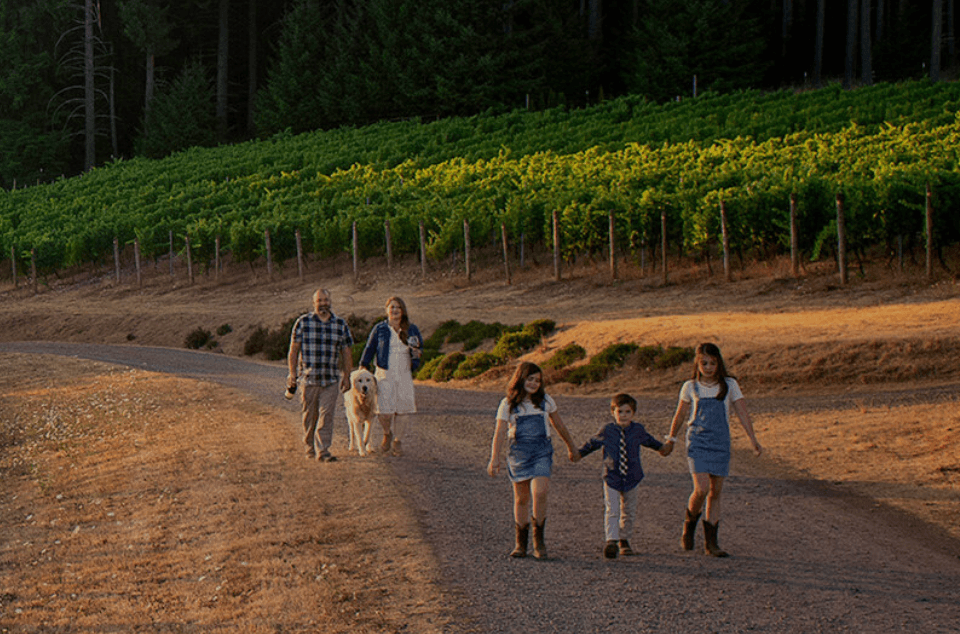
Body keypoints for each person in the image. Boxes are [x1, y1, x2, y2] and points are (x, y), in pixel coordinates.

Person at [662, 342, 762, 557]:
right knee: (702, 488)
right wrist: (671, 439)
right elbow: (680, 415)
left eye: (712, 363)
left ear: (719, 364)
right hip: (697, 442)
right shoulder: (690, 386)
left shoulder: (730, 385)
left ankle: (711, 543)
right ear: (697, 364)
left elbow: (742, 412)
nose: (708, 367)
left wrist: (752, 439)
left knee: (716, 492)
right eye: (704, 363)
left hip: (721, 442)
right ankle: (689, 524)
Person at [487, 362, 579, 560]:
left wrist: (571, 447)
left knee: (540, 492)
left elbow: (559, 425)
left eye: (538, 380)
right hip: (518, 454)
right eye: (530, 379)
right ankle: (521, 543)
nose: (534, 383)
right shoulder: (508, 404)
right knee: (521, 499)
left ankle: (539, 541)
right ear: (520, 379)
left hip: (541, 452)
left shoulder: (545, 401)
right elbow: (500, 432)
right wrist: (494, 458)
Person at [576, 393, 670, 559]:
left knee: (628, 510)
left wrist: (662, 448)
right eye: (619, 411)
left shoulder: (638, 430)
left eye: (627, 412)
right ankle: (611, 540)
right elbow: (592, 443)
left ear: (633, 413)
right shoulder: (607, 430)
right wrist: (578, 454)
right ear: (613, 412)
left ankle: (624, 540)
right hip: (612, 476)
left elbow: (650, 441)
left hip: (632, 476)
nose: (623, 415)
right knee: (612, 509)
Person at [287, 288, 354, 463]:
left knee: (327, 415)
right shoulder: (303, 322)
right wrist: (292, 374)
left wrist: (347, 376)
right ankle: (309, 447)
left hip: (330, 379)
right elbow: (293, 350)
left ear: (330, 301)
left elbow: (346, 352)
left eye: (325, 300)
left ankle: (323, 450)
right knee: (310, 417)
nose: (323, 303)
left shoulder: (340, 324)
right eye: (319, 300)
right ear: (314, 303)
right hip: (309, 379)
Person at [359, 296, 422, 456]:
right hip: (384, 374)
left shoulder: (411, 329)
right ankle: (387, 433)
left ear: (403, 311)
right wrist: (363, 365)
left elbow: (419, 348)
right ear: (387, 310)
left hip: (404, 373)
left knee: (402, 410)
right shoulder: (379, 328)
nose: (395, 310)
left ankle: (397, 441)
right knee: (384, 411)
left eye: (398, 307)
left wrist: (416, 358)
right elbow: (370, 347)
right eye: (392, 307)